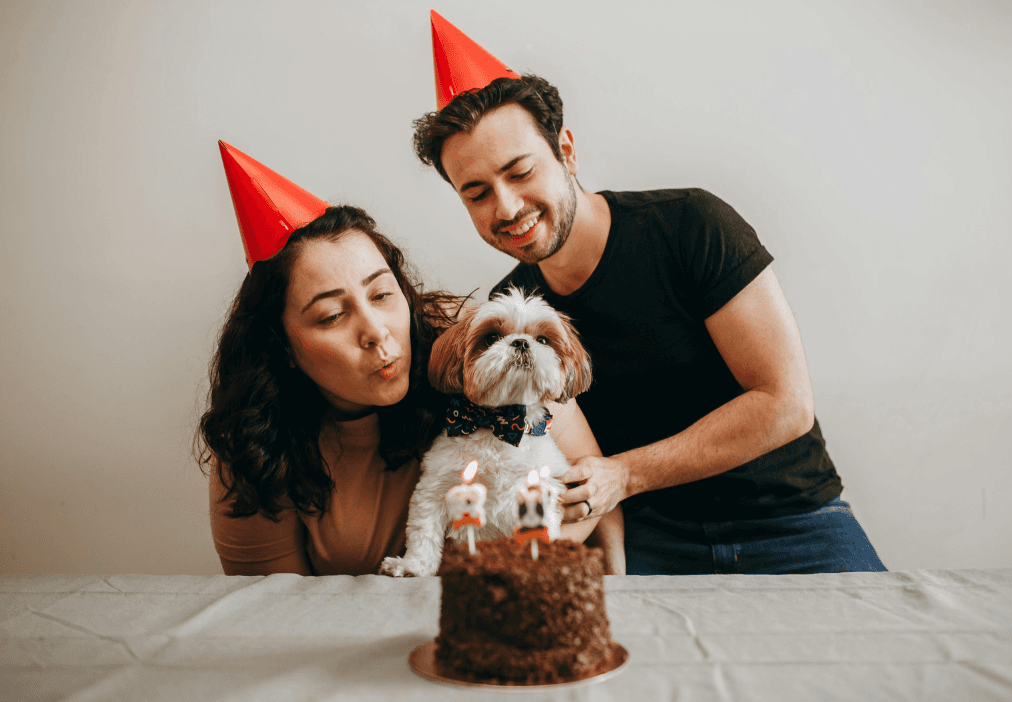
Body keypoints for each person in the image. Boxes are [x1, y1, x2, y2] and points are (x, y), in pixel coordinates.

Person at [410, 15, 886, 575]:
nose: (507, 207)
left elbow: (785, 405)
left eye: (520, 172)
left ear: (566, 150)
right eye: (477, 192)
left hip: (797, 522)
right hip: (651, 538)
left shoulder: (690, 225)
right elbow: (547, 460)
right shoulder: (510, 319)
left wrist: (627, 474)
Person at [198, 143, 614, 576]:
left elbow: (588, 490)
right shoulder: (252, 443)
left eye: (381, 294)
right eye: (331, 315)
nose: (376, 331)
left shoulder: (473, 337)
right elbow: (270, 604)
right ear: (281, 345)